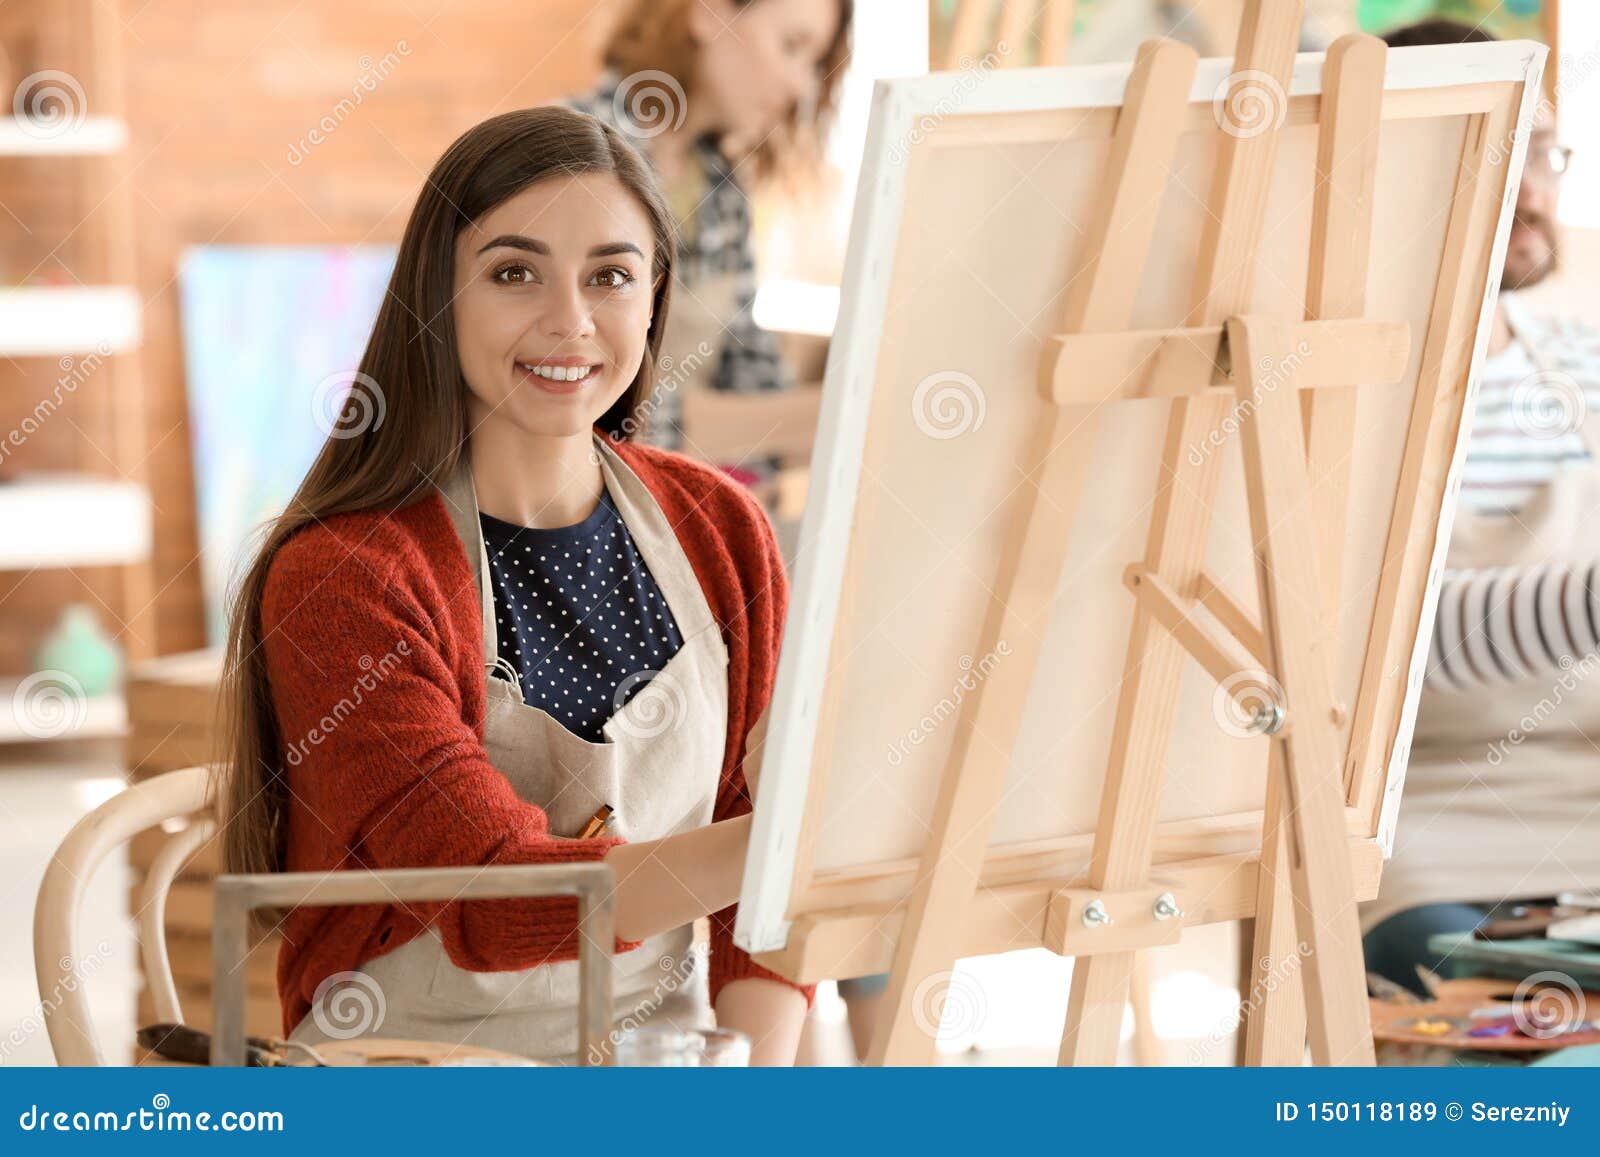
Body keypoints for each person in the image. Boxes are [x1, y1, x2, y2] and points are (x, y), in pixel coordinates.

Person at [216, 105, 814, 1064]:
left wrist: (753, 1082)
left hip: (658, 1064)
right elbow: (495, 898)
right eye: (513, 272)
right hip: (408, 1069)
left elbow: (763, 913)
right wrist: (802, 842)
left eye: (611, 276)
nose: (570, 321)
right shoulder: (344, 576)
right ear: (438, 297)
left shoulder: (720, 530)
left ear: (655, 297)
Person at [1363, 20, 1600, 995]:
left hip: (1584, 790)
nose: (1533, 184)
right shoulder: (1327, 393)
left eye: (1542, 150)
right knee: (1510, 1009)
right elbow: (1384, 648)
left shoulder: (1585, 366)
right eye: (1497, 148)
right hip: (1413, 817)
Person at [565, 0, 852, 453]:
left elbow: (749, 368)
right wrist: (823, 417)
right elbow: (592, 409)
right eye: (792, 46)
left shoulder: (723, 188)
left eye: (814, 64)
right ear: (707, 13)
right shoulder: (572, 158)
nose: (801, 85)